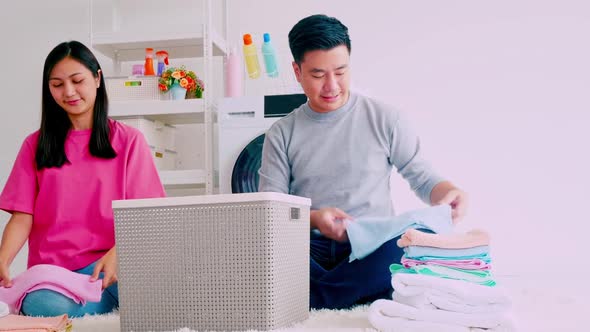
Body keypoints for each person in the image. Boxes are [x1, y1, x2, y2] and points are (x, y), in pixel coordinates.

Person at [258, 14, 468, 310]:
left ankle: (317, 297)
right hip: (310, 249)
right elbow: (271, 213)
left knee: (416, 244)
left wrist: (449, 193)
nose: (331, 86)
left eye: (340, 72)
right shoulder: (281, 134)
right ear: (297, 71)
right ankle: (354, 292)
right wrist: (317, 219)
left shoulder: (385, 118)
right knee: (254, 250)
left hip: (373, 245)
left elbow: (423, 178)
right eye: (318, 75)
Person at [0, 41, 165, 317]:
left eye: (77, 81)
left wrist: (119, 254)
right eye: (56, 84)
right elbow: (22, 216)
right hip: (57, 276)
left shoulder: (128, 141)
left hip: (116, 266)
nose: (69, 92)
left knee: (170, 297)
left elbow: (146, 216)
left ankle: (103, 301)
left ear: (97, 79)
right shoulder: (35, 145)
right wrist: (3, 259)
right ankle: (92, 304)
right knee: (43, 306)